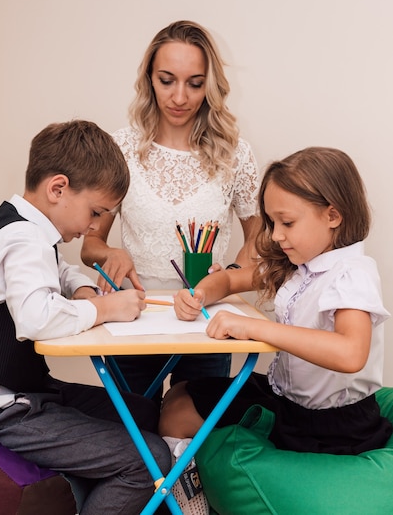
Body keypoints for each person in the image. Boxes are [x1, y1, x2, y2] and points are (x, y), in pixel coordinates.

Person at [0, 120, 170, 515]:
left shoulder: (27, 227)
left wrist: (81, 288)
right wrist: (105, 308)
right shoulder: (22, 238)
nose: (95, 226)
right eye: (95, 212)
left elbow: (59, 271)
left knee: (145, 411)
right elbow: (35, 318)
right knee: (148, 460)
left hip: (27, 389)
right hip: (1, 408)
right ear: (58, 189)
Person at [159, 146, 392, 455]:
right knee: (180, 394)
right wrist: (198, 294)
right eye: (272, 223)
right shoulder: (298, 264)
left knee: (179, 414)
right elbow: (230, 279)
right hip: (288, 400)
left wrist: (253, 328)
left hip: (331, 426)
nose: (277, 235)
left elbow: (350, 353)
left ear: (333, 215)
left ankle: (185, 498)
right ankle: (187, 489)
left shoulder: (350, 274)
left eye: (287, 223)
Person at [81, 20, 260, 397]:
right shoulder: (122, 149)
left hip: (206, 316)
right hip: (134, 313)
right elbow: (89, 244)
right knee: (135, 433)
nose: (180, 97)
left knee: (194, 429)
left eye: (195, 83)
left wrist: (228, 275)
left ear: (210, 85)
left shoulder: (235, 154)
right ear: (149, 79)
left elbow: (257, 242)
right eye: (167, 80)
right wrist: (112, 252)